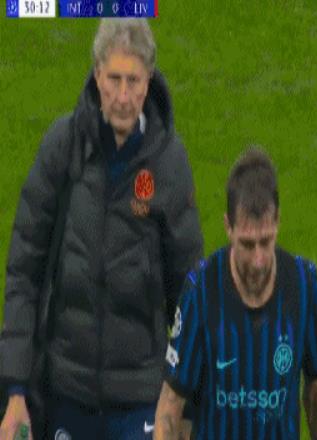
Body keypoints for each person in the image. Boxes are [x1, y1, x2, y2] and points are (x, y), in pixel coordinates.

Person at [0, 19, 203, 439]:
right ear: (96, 76)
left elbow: (189, 293)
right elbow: (24, 271)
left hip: (140, 399)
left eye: (133, 81)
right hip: (67, 395)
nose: (123, 97)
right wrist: (15, 387)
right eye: (114, 79)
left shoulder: (169, 163)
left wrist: (189, 403)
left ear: (149, 80)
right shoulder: (62, 147)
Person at [154, 148, 317, 439]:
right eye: (247, 244)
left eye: (266, 241)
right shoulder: (201, 290)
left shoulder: (303, 283)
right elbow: (170, 405)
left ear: (278, 221)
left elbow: (315, 393)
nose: (258, 260)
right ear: (228, 227)